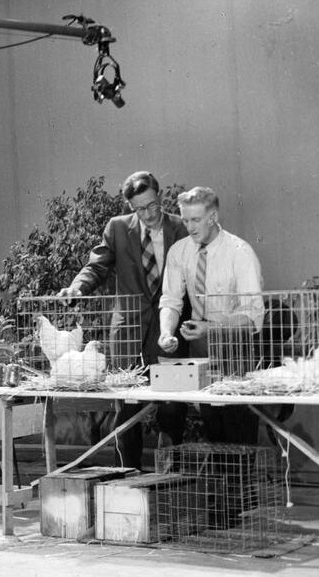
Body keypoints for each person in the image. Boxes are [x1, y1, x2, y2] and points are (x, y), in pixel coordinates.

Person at [57, 171, 190, 469]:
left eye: (153, 205)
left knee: (173, 410)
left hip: (169, 333)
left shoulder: (180, 228)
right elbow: (97, 266)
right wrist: (77, 287)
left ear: (161, 196)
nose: (150, 213)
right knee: (128, 412)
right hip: (129, 334)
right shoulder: (117, 229)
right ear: (131, 207)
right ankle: (126, 478)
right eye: (140, 209)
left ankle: (169, 477)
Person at [158, 186, 264, 444]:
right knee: (213, 427)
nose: (189, 226)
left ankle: (240, 484)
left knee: (238, 430)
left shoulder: (240, 251)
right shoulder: (179, 252)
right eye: (185, 220)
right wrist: (166, 332)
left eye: (196, 220)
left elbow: (252, 315)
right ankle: (223, 482)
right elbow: (171, 300)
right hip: (202, 349)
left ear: (213, 217)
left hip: (239, 349)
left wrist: (211, 328)